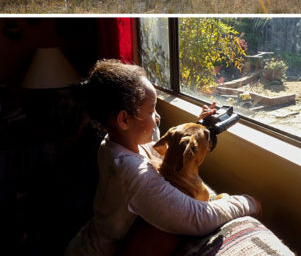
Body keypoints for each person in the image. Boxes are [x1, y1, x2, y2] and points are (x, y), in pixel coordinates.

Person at [64, 60, 261, 256]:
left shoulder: (116, 142)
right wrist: (248, 203)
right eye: (151, 111)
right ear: (124, 120)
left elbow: (158, 149)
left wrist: (198, 126)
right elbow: (198, 217)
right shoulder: (132, 173)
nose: (157, 117)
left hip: (90, 234)